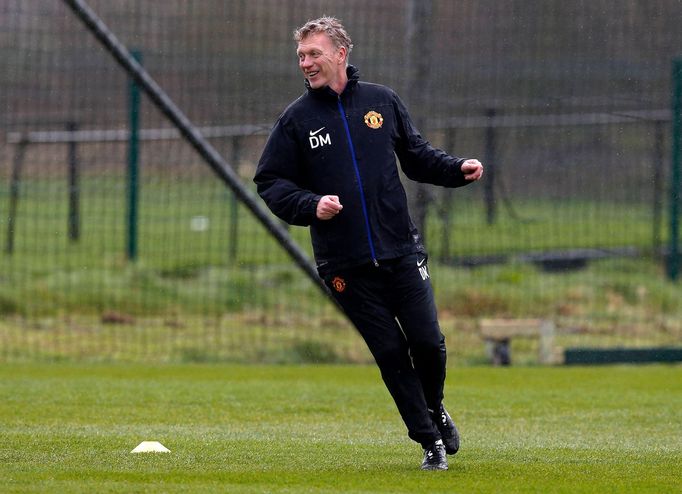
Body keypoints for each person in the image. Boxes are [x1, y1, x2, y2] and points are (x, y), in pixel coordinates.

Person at [254, 16, 483, 471]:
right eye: (301, 56)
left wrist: (457, 169)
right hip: (345, 265)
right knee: (391, 353)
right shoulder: (296, 120)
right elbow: (270, 181)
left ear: (341, 53)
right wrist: (310, 204)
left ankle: (434, 408)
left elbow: (417, 158)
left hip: (401, 249)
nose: (306, 63)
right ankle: (429, 443)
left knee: (428, 342)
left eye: (314, 53)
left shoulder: (383, 101)